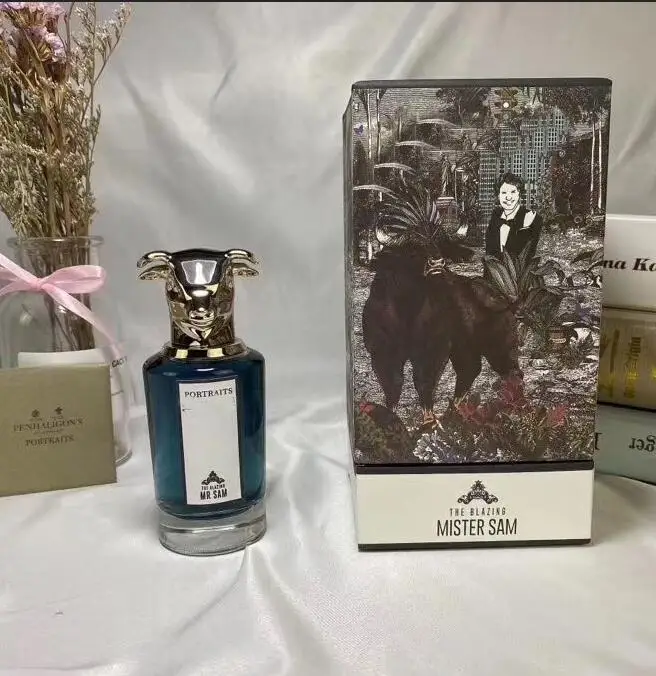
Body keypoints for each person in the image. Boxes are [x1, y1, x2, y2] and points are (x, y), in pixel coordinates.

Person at [485, 172, 543, 261]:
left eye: (513, 192)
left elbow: (526, 256)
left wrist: (525, 228)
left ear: (519, 194)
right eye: (504, 192)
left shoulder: (532, 218)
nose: (508, 197)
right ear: (498, 196)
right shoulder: (496, 215)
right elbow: (489, 253)